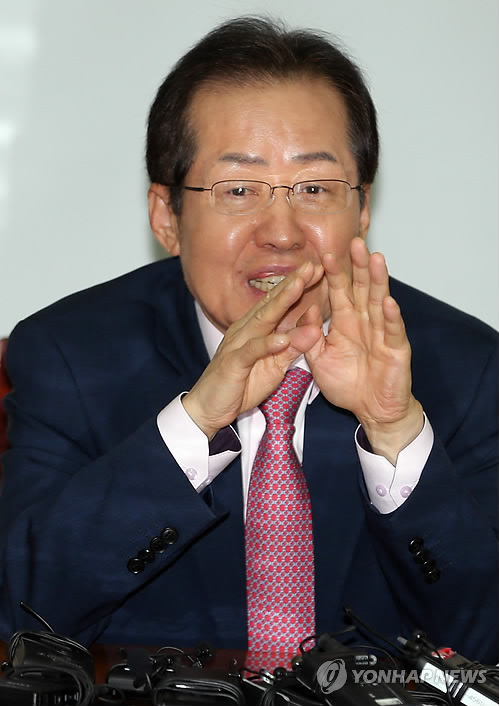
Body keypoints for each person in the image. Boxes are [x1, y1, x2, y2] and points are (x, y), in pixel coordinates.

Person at [0, 17, 497, 664]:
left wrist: (394, 432)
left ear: (362, 209)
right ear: (166, 216)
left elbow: (486, 641)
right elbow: (19, 613)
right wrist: (194, 423)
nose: (282, 233)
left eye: (314, 189)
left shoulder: (467, 369)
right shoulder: (71, 358)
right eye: (238, 190)